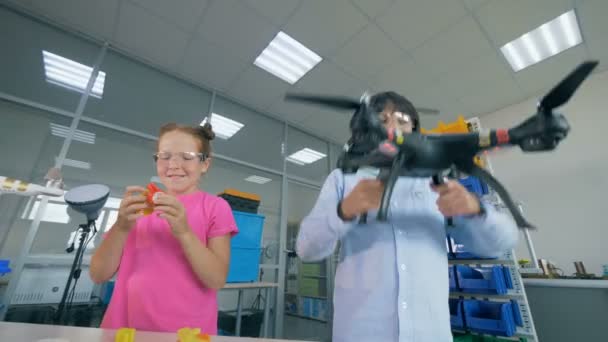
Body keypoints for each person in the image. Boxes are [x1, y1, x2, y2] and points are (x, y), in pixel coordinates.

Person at [296, 92, 518, 342]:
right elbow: (306, 248)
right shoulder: (343, 179)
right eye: (382, 120)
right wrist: (343, 211)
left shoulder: (439, 184)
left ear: (414, 130)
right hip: (361, 333)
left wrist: (475, 210)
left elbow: (501, 244)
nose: (393, 129)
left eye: (402, 122)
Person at [90, 122, 238, 333]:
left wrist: (184, 232)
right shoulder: (139, 207)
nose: (173, 164)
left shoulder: (215, 207)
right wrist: (121, 227)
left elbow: (216, 279)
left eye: (186, 157)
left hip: (187, 334)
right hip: (124, 330)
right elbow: (98, 274)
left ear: (205, 164)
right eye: (165, 156)